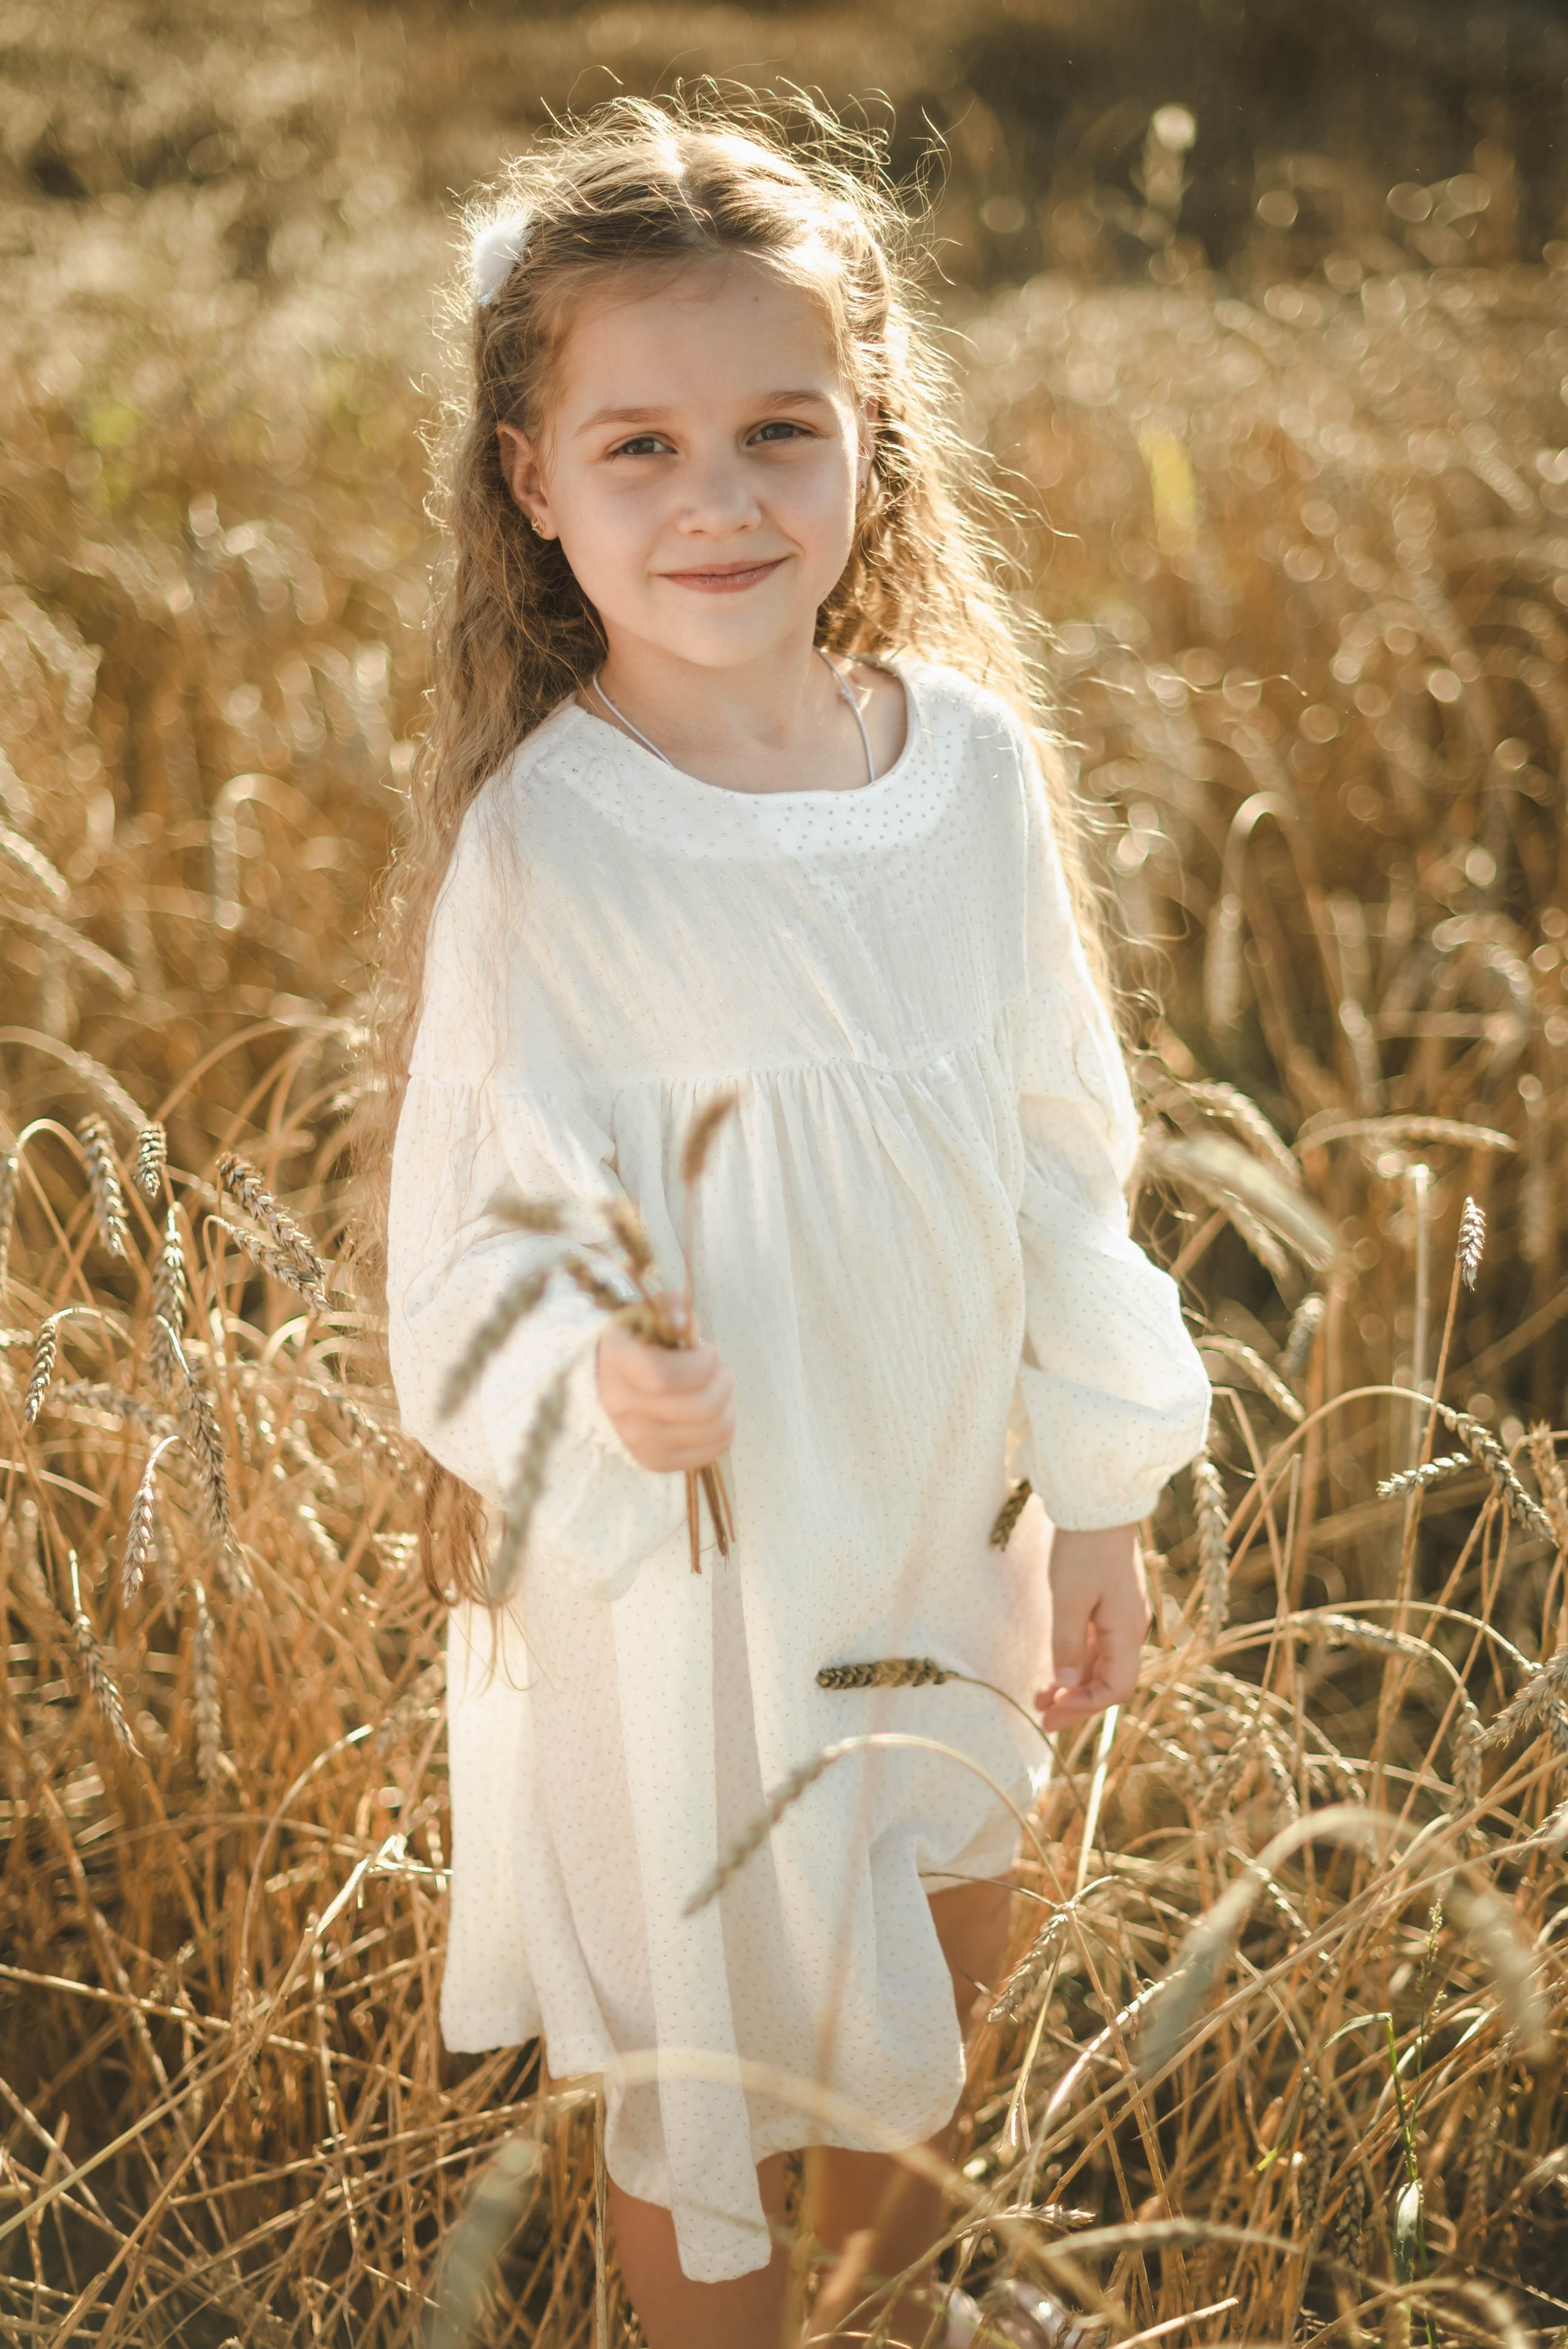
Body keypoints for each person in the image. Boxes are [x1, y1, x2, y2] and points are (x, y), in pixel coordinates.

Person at [375, 94, 1210, 2349]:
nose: (721, 497)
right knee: (706, 2072)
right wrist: (591, 1382)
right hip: (693, 1585)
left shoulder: (962, 771)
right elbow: (463, 1250)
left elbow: (1057, 1144)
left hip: (947, 1527)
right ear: (532, 487)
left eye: (778, 428)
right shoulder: (554, 851)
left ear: (873, 445)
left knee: (930, 2007)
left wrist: (1108, 1498)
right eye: (636, 447)